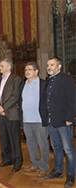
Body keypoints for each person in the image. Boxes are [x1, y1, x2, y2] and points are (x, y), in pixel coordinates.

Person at [42, 57, 76, 188]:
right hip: (52, 120)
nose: (49, 67)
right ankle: (57, 171)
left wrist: (69, 118)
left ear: (59, 66)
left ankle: (71, 175)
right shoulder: (49, 80)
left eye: (52, 65)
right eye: (48, 65)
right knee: (56, 148)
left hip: (63, 121)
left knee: (68, 150)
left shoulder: (67, 80)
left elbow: (72, 100)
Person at [0, 58, 23, 172]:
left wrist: (4, 108)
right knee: (4, 137)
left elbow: (15, 96)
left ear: (9, 67)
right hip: (1, 114)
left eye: (2, 66)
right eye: (0, 66)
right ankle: (6, 159)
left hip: (11, 114)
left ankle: (17, 161)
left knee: (14, 139)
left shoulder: (16, 79)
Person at [21, 62, 49, 178]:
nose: (27, 72)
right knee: (30, 143)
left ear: (36, 71)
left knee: (42, 144)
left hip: (39, 120)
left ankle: (43, 166)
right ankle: (35, 163)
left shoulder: (44, 84)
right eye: (26, 69)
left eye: (30, 69)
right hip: (27, 120)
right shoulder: (23, 85)